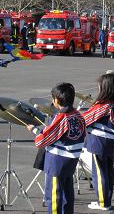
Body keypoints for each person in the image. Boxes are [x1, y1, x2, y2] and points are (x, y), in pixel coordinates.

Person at [26, 83, 85, 214]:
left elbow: (42, 140)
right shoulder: (79, 115)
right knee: (67, 194)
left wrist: (35, 130)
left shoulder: (61, 118)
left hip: (57, 162)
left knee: (54, 196)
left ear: (56, 100)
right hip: (71, 160)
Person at [82, 73, 114, 210]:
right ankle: (106, 200)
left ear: (105, 88)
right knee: (108, 172)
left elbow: (85, 119)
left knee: (99, 172)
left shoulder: (103, 105)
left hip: (99, 140)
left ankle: (102, 203)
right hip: (110, 141)